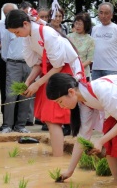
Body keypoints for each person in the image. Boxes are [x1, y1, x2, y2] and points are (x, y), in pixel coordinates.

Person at [46, 73, 117, 185]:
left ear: (71, 92)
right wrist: (70, 171)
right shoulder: (84, 103)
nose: (61, 106)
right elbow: (82, 137)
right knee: (110, 141)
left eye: (60, 102)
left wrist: (100, 141)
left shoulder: (102, 90)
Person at [5, 9, 83, 156]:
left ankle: (58, 157)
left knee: (53, 118)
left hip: (64, 71)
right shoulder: (28, 37)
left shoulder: (47, 33)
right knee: (49, 118)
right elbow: (39, 64)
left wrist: (38, 83)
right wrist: (28, 81)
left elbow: (58, 65)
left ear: (25, 24)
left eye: (16, 32)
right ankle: (57, 154)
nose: (17, 35)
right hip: (49, 71)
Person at [0, 3, 33, 133]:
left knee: (25, 94)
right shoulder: (7, 27)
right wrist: (9, 61)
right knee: (11, 95)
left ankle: (21, 125)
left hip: (29, 64)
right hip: (13, 63)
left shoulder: (29, 26)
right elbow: (5, 48)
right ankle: (7, 125)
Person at [91, 2, 117, 79]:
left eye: (106, 13)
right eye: (101, 13)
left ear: (111, 15)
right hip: (96, 69)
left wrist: (116, 64)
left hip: (112, 69)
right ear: (98, 14)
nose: (103, 16)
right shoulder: (94, 29)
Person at [67, 13, 95, 79]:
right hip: (69, 71)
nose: (77, 26)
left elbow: (90, 59)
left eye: (80, 24)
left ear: (86, 25)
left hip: (84, 73)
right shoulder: (68, 37)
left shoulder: (90, 40)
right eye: (76, 23)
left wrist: (78, 67)